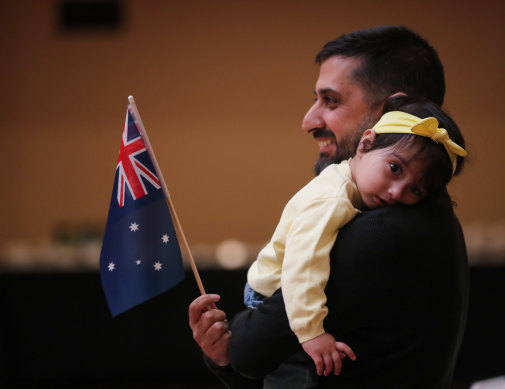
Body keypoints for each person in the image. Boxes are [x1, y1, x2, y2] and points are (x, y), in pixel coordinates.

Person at [189, 25, 469, 388]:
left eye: (331, 100)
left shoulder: (384, 228)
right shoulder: (422, 213)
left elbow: (248, 353)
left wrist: (235, 342)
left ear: (390, 111)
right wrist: (230, 355)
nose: (309, 121)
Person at [244, 96, 466, 378]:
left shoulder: (355, 187)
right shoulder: (331, 200)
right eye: (395, 168)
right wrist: (311, 332)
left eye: (416, 190)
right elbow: (302, 266)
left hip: (295, 292)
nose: (398, 192)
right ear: (365, 143)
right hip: (275, 293)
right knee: (296, 376)